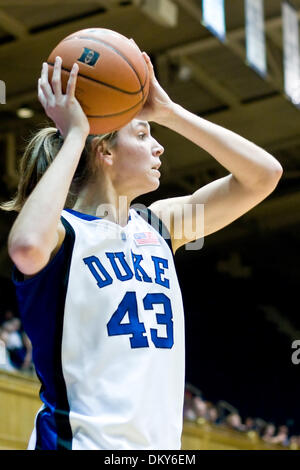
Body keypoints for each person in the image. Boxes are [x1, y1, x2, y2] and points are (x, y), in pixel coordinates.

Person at [1, 38, 283, 450]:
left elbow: (264, 175)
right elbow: (25, 247)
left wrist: (170, 113)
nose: (159, 144)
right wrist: (78, 131)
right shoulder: (65, 232)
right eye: (143, 132)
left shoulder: (159, 225)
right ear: (105, 152)